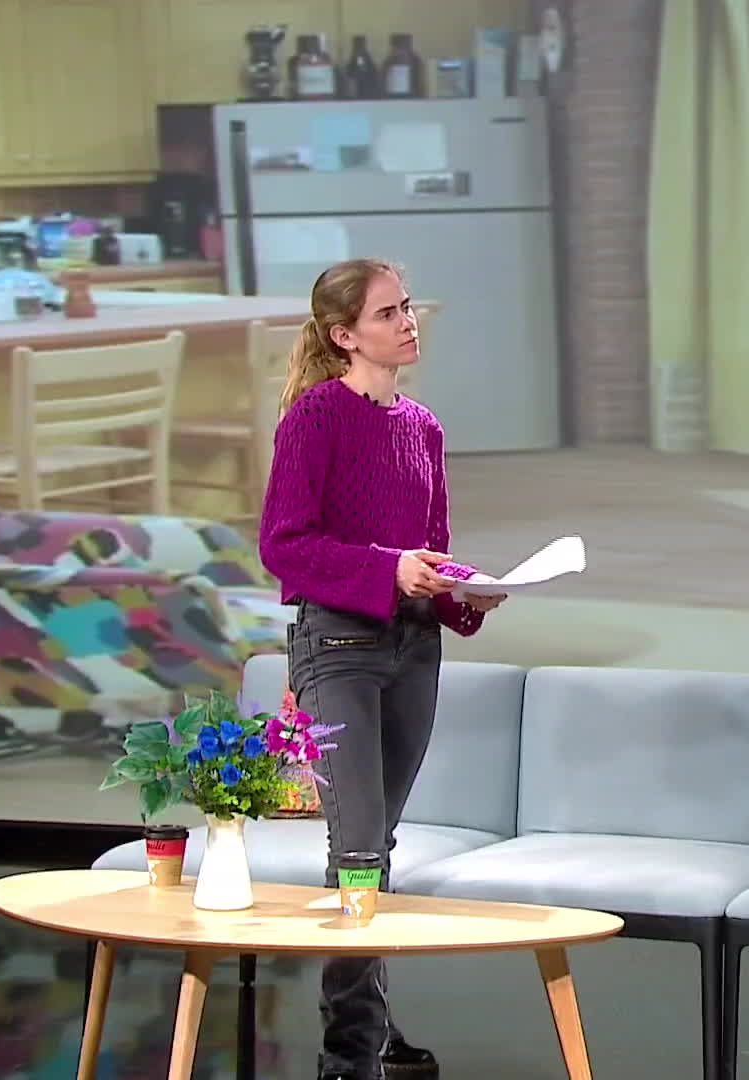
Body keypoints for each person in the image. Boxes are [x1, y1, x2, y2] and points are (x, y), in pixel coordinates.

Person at [259, 257, 505, 1080]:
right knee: (358, 847)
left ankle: (369, 1024)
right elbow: (285, 546)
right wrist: (388, 569)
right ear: (343, 335)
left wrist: (468, 590)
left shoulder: (423, 428)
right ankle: (350, 1055)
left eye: (407, 307)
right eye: (388, 313)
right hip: (338, 648)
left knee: (376, 843)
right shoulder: (316, 418)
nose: (408, 322)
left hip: (411, 648)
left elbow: (427, 553)